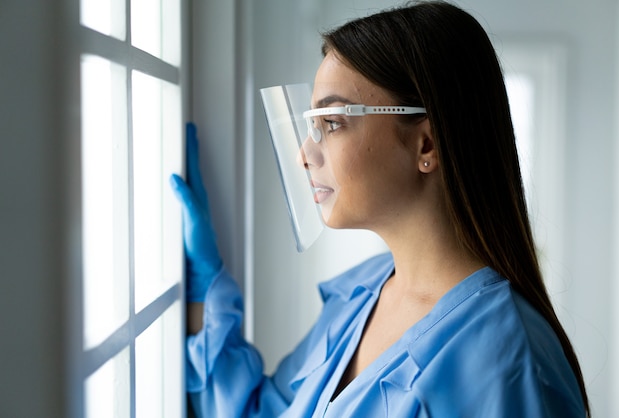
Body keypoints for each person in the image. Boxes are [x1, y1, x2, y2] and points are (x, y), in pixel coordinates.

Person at [170, 1, 590, 416]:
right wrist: (204, 288)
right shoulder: (362, 294)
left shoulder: (512, 364)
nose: (304, 153)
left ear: (426, 144)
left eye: (331, 123)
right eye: (311, 124)